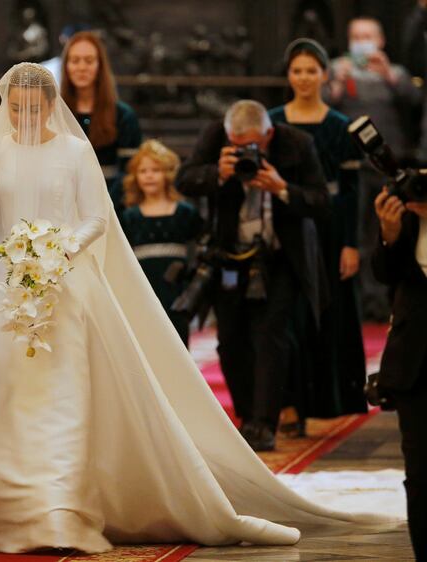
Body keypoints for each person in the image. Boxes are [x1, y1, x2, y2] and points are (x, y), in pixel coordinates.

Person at [0, 63, 382, 554]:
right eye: (15, 109)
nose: (24, 118)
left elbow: (98, 216)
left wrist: (58, 249)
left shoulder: (74, 151)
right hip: (3, 283)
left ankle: (57, 508)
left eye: (33, 109)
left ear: (51, 105)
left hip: (65, 280)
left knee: (60, 393)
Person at [176, 100, 330, 452]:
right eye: (237, 144)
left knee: (270, 335)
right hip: (229, 256)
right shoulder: (215, 137)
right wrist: (219, 173)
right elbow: (184, 180)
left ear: (269, 134)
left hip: (279, 257)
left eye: (253, 146)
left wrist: (281, 188)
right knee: (230, 340)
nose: (245, 151)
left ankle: (264, 423)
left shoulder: (297, 144)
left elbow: (321, 201)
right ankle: (246, 416)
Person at [268, 38, 367, 436]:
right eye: (297, 70)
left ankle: (329, 399)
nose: (305, 78)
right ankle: (289, 402)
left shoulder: (340, 127)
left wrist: (350, 243)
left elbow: (351, 191)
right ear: (288, 75)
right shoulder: (273, 123)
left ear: (325, 75)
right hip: (285, 226)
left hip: (327, 230)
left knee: (329, 312)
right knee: (286, 315)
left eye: (312, 70)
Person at [328, 16, 423, 321]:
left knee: (390, 230)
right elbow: (324, 104)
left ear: (381, 40)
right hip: (350, 164)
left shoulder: (395, 72)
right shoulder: (336, 69)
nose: (362, 41)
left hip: (390, 165)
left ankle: (385, 301)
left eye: (368, 35)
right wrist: (337, 84)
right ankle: (359, 302)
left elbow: (416, 102)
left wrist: (390, 77)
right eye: (357, 36)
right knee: (354, 235)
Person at [372, 190, 427, 560]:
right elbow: (384, 273)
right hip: (416, 361)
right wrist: (390, 233)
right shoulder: (409, 215)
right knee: (421, 474)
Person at [120, 139, 202, 346]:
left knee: (177, 341)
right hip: (142, 290)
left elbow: (201, 245)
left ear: (168, 174)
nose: (149, 175)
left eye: (155, 170)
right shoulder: (129, 217)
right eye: (143, 170)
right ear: (135, 177)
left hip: (176, 290)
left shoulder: (185, 213)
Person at [61, 31, 141, 212]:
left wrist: (102, 206)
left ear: (100, 66)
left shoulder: (124, 115)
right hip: (63, 208)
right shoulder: (52, 112)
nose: (82, 67)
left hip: (112, 207)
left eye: (89, 61)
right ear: (66, 66)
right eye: (75, 61)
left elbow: (129, 172)